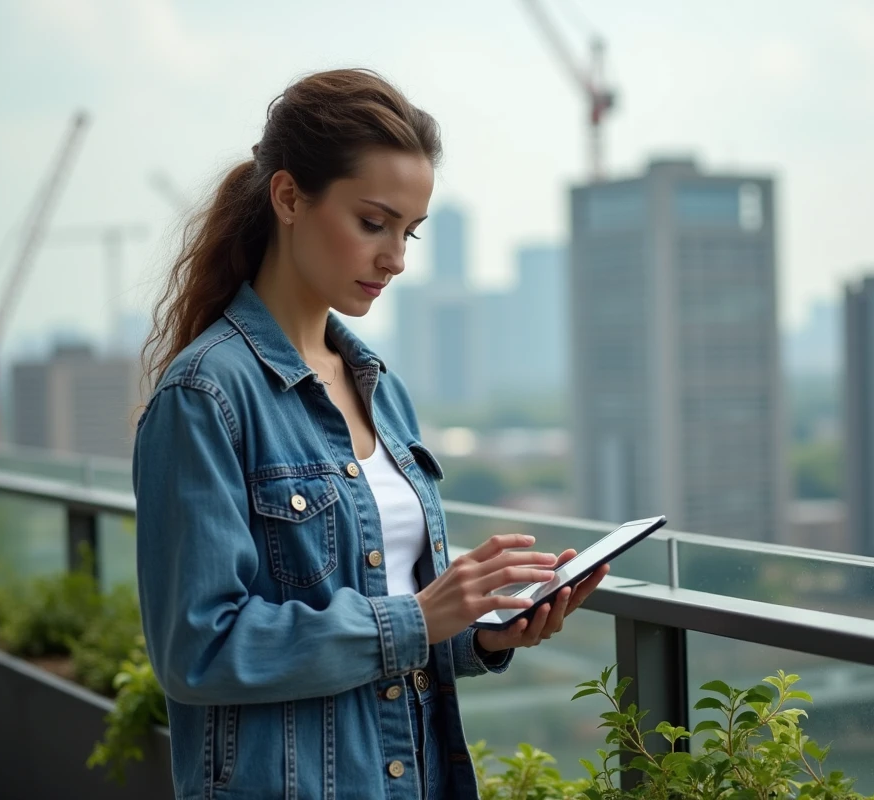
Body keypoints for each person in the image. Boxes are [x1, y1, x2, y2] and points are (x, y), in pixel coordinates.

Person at [133, 68, 608, 800]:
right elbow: (198, 649)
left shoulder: (382, 390)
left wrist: (480, 632)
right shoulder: (206, 396)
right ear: (289, 197)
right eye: (373, 223)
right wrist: (415, 618)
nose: (397, 258)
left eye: (409, 232)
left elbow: (392, 619)